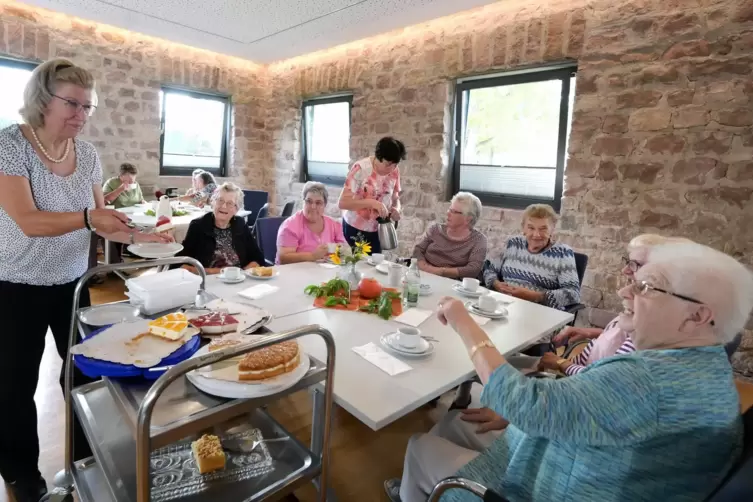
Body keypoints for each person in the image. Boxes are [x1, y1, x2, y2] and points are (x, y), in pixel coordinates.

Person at [386, 242, 752, 502]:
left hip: (539, 486)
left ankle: (418, 492)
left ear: (698, 315)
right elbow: (589, 408)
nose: (626, 289)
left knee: (419, 446)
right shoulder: (707, 368)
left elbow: (527, 403)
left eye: (645, 287)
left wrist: (464, 322)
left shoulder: (648, 383)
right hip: (575, 459)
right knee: (456, 421)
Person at [0, 58, 170, 502]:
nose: (80, 114)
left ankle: (84, 458)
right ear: (42, 99)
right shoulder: (9, 145)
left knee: (81, 374)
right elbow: (28, 221)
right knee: (13, 386)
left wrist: (139, 234)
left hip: (73, 283)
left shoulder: (89, 154)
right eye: (72, 104)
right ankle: (22, 477)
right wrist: (87, 216)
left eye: (87, 107)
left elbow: (102, 223)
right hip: (13, 285)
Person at [482, 203, 580, 310]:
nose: (536, 234)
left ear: (552, 229)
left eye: (543, 229)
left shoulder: (562, 253)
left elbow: (573, 293)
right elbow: (489, 269)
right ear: (523, 228)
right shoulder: (513, 244)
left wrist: (536, 296)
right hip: (503, 307)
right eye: (531, 228)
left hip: (539, 312)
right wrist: (496, 284)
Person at [338, 136, 405, 253]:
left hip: (378, 229)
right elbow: (343, 203)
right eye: (388, 164)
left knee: (376, 266)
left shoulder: (394, 170)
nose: (392, 168)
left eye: (395, 164)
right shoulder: (361, 169)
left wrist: (397, 209)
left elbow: (395, 197)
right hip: (356, 228)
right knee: (360, 266)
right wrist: (372, 203)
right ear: (378, 157)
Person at [178, 182, 263, 275]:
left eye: (230, 203)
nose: (223, 206)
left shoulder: (240, 224)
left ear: (236, 209)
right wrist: (220, 272)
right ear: (212, 202)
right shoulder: (198, 226)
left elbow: (258, 258)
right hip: (209, 281)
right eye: (220, 200)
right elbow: (183, 264)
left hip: (239, 282)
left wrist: (242, 274)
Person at [413, 192, 487, 280]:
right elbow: (418, 250)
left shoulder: (478, 240)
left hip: (452, 284)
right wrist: (424, 267)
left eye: (454, 212)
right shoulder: (435, 229)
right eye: (450, 209)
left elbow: (473, 269)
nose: (448, 213)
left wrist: (440, 271)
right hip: (422, 275)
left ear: (468, 219)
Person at [276, 181, 347, 264]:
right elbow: (283, 258)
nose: (313, 207)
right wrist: (312, 256)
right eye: (309, 201)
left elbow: (344, 250)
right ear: (303, 202)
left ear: (325, 205)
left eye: (318, 203)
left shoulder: (333, 225)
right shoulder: (290, 226)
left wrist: (336, 249)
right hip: (295, 273)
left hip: (324, 272)